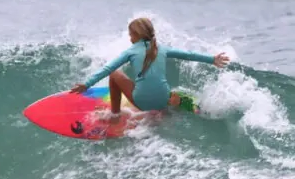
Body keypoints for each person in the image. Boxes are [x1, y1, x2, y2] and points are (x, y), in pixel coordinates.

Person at [70, 17, 230, 121]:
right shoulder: (162, 48)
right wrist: (212, 59)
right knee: (168, 90)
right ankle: (163, 112)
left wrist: (87, 84)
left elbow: (108, 68)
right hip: (163, 100)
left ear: (137, 35)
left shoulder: (131, 51)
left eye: (131, 34)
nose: (129, 38)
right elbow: (188, 54)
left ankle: (115, 114)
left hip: (142, 102)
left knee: (114, 74)